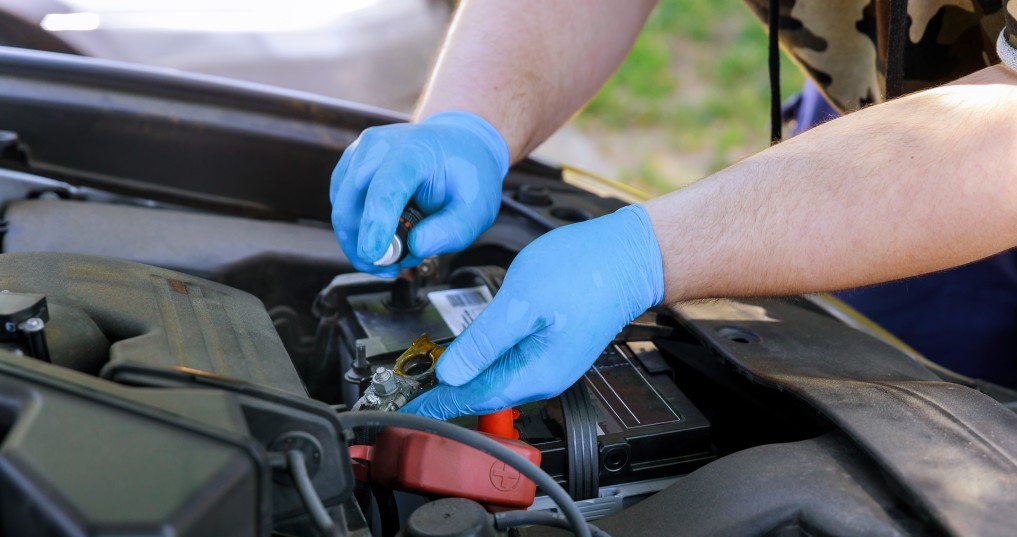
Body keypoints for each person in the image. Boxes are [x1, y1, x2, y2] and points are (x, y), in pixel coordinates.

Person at [330, 0, 1017, 420]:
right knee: (867, 415)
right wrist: (473, 120)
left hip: (974, 146)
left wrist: (644, 255)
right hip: (885, 134)